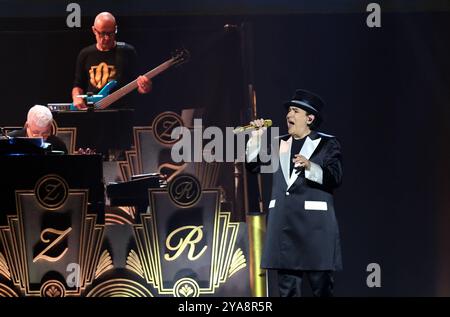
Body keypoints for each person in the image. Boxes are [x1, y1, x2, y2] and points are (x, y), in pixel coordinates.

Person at [246, 89, 343, 297]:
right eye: (289, 111)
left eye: (295, 111)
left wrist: (310, 167)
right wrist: (256, 138)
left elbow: (336, 178)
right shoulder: (278, 142)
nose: (289, 115)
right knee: (287, 290)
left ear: (310, 118)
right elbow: (253, 166)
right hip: (284, 227)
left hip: (315, 228)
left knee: (321, 289)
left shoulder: (327, 143)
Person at [72, 12, 151, 110]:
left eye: (111, 33)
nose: (107, 38)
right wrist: (76, 97)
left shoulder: (127, 52)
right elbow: (78, 85)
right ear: (94, 30)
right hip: (92, 112)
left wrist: (144, 88)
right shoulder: (85, 54)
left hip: (121, 112)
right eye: (102, 33)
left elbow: (138, 85)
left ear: (115, 29)